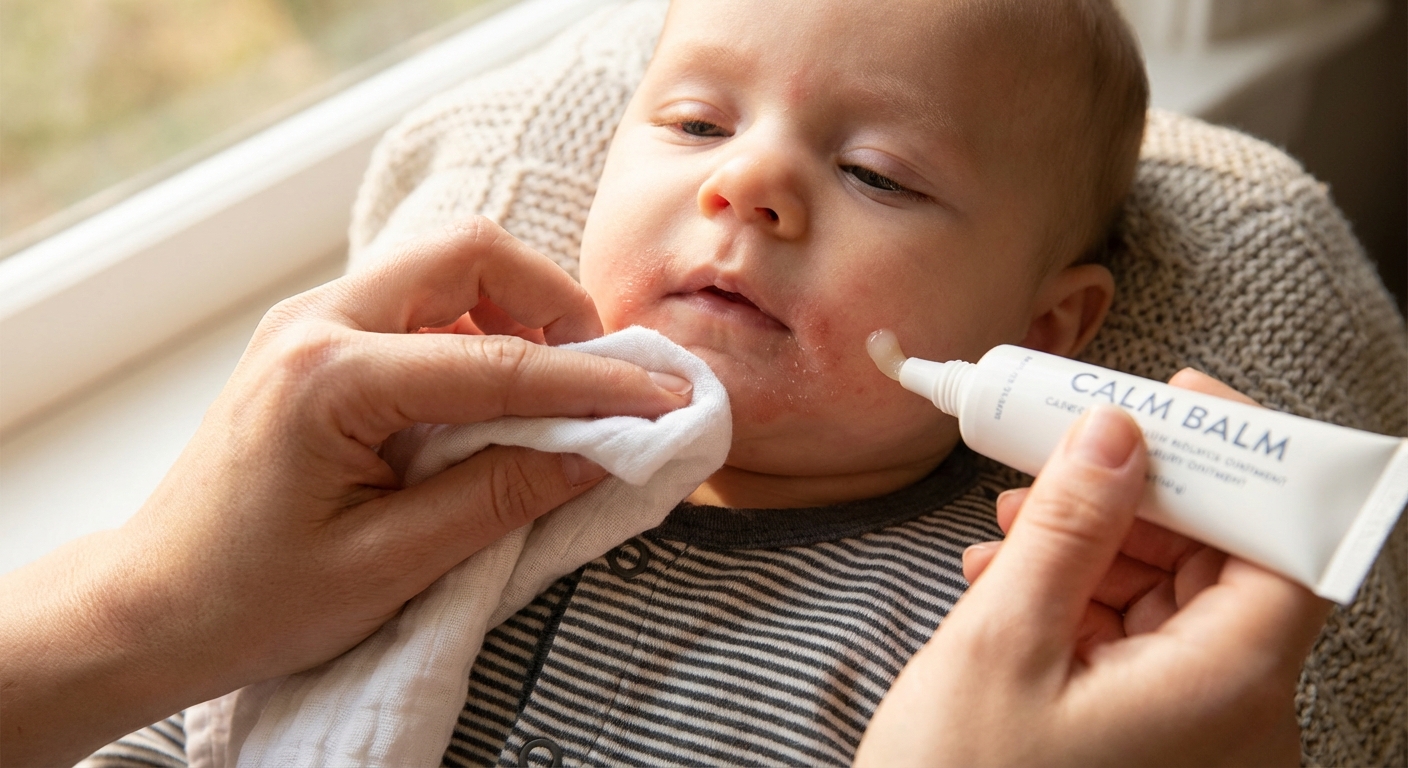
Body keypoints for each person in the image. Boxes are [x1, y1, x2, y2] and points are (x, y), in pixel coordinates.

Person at [3, 0, 1330, 765]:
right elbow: (202, 729)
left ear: (1044, 326)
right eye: (697, 123)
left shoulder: (1003, 629)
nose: (745, 182)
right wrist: (144, 614)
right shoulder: (417, 465)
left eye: (875, 173)